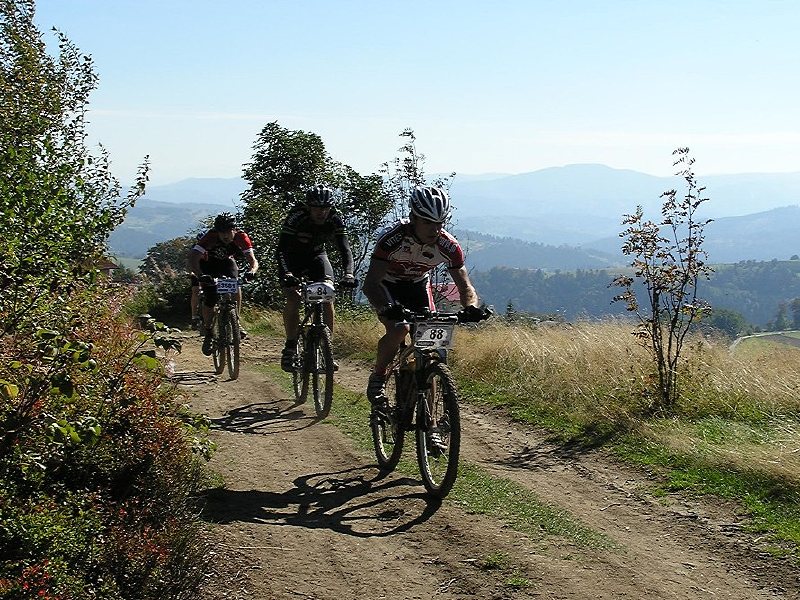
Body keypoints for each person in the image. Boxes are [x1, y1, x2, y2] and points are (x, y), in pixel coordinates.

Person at [361, 185, 489, 413]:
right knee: (399, 328)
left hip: (418, 285)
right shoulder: (392, 239)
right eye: (428, 222)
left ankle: (430, 423)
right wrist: (386, 307)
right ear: (413, 218)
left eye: (440, 223)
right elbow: (371, 284)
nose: (435, 229)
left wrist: (471, 307)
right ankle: (378, 377)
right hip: (386, 285)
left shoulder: (448, 245)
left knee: (432, 350)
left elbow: (465, 285)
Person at [276, 184, 357, 371]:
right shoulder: (297, 218)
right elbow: (281, 250)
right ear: (308, 207)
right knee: (293, 298)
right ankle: (290, 347)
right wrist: (287, 273)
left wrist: (349, 274)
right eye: (317, 208)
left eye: (325, 208)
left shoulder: (336, 219)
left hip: (317, 257)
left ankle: (327, 348)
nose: (321, 212)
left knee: (328, 297)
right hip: (292, 258)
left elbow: (345, 250)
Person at [188, 212, 259, 356]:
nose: (225, 236)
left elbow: (253, 260)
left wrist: (252, 271)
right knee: (210, 298)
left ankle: (236, 321)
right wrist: (201, 275)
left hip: (227, 262)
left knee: (236, 284)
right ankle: (208, 332)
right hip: (208, 264)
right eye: (222, 233)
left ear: (234, 229)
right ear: (217, 231)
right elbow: (192, 257)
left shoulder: (241, 237)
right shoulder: (210, 236)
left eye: (228, 232)